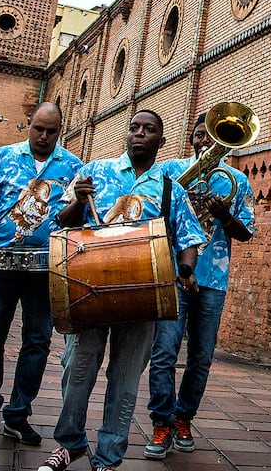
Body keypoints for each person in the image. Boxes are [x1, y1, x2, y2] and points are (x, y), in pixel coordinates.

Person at [37, 110, 206, 471]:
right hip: (90, 288)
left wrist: (186, 270)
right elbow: (61, 222)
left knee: (126, 378)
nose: (139, 134)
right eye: (134, 128)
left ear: (161, 140)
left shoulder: (169, 186)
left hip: (144, 294)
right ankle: (70, 444)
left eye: (149, 130)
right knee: (77, 369)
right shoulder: (95, 172)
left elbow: (189, 237)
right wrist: (80, 202)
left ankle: (109, 458)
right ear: (126, 135)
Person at [0, 102, 81, 446]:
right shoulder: (2, 157)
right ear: (29, 125)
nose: (43, 136)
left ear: (60, 130)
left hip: (46, 268)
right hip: (0, 263)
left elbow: (77, 217)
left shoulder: (73, 167)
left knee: (38, 342)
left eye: (51, 131)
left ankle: (18, 413)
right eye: (38, 129)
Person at [144, 113, 257, 459]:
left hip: (213, 280)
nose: (204, 142)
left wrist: (223, 215)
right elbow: (151, 215)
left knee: (201, 358)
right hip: (173, 273)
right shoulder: (170, 172)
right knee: (164, 352)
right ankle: (161, 421)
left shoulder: (236, 181)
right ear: (191, 138)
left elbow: (247, 232)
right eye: (198, 136)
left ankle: (183, 417)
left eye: (210, 137)